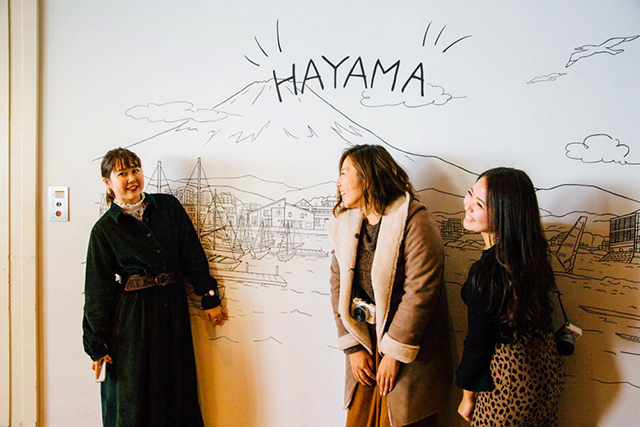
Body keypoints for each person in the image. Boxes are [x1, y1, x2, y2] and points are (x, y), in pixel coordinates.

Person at [82, 147, 228, 426]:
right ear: (107, 182)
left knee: (175, 387)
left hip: (172, 308)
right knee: (135, 392)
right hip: (132, 320)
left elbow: (191, 254)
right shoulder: (104, 230)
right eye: (122, 173)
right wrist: (96, 344)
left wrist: (209, 297)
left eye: (135, 170)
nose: (131, 178)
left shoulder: (168, 207)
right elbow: (97, 290)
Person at [326, 144, 452, 427]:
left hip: (409, 346)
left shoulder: (415, 220)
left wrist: (395, 354)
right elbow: (338, 287)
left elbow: (420, 291)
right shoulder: (346, 224)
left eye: (344, 173)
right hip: (365, 341)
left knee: (401, 419)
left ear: (367, 176)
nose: (338, 182)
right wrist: (352, 348)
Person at [456, 167, 565, 426]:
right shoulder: (532, 255)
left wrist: (467, 396)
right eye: (470, 194)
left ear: (505, 214)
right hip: (548, 366)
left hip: (510, 377)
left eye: (479, 204)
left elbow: (477, 344)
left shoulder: (485, 273)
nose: (468, 205)